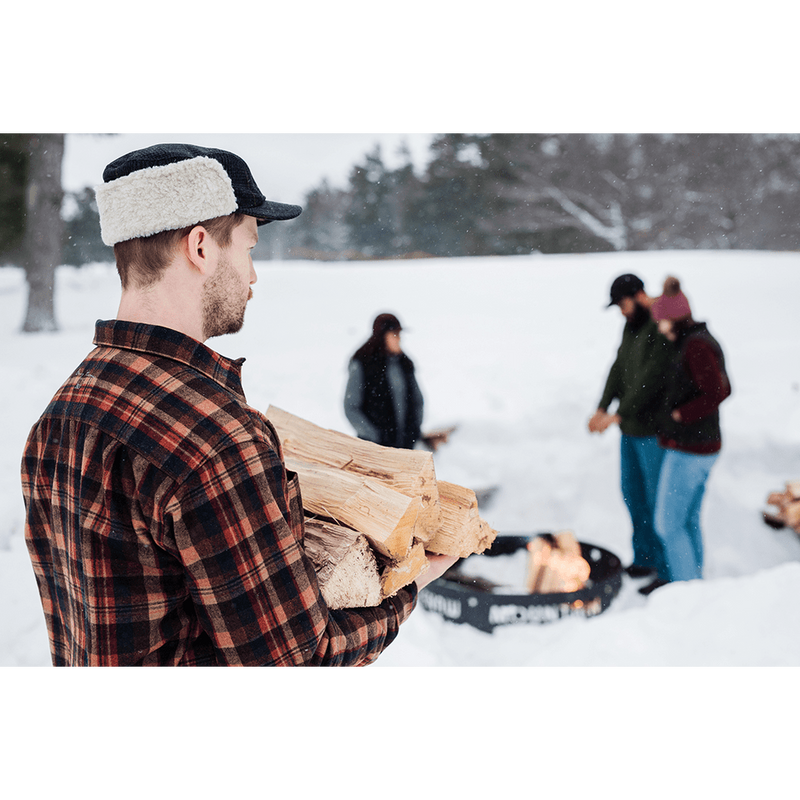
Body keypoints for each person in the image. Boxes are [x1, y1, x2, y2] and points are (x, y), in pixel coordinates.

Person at [20, 143, 457, 669]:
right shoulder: (216, 439)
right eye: (248, 248)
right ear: (200, 247)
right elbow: (297, 660)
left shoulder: (63, 411)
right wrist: (408, 586)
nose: (253, 278)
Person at [640, 277, 731, 595]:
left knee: (668, 524)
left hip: (690, 449)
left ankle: (685, 596)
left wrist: (680, 415)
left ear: (675, 319)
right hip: (699, 446)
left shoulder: (696, 346)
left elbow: (717, 391)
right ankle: (694, 588)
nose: (660, 328)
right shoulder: (697, 340)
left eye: (662, 321)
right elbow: (722, 386)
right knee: (687, 520)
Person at [588, 273, 672, 581]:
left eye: (623, 304)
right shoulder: (631, 325)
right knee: (632, 495)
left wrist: (618, 414)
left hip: (652, 431)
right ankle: (644, 558)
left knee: (656, 500)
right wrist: (602, 405)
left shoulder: (659, 323)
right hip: (629, 431)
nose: (621, 311)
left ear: (638, 295)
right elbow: (619, 365)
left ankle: (665, 570)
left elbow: (653, 377)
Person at [344, 313, 424, 450]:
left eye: (399, 334)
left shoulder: (405, 363)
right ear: (382, 336)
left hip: (405, 447)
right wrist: (372, 435)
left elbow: (418, 401)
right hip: (374, 451)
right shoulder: (363, 364)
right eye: (394, 334)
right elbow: (351, 406)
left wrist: (414, 430)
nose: (399, 339)